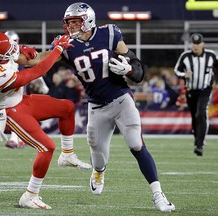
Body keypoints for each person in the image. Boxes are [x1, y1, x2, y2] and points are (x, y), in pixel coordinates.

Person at [29, 2, 175, 212]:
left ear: (88, 20)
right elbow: (40, 60)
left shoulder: (109, 34)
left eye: (75, 21)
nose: (71, 26)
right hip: (96, 106)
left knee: (136, 143)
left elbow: (138, 69)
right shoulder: (66, 44)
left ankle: (158, 194)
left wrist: (127, 69)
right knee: (98, 158)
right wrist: (14, 55)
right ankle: (99, 171)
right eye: (68, 22)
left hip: (121, 98)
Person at [0, 32, 91, 209]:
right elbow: (36, 71)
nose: (12, 50)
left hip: (21, 102)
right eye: (8, 49)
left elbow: (29, 59)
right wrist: (58, 49)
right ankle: (30, 196)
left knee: (67, 108)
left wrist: (33, 51)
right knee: (47, 147)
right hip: (9, 111)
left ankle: (67, 154)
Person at [4, 30, 50, 149]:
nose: (15, 43)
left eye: (16, 41)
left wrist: (42, 84)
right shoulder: (1, 55)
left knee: (16, 113)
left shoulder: (19, 53)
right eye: (13, 41)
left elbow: (33, 70)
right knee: (15, 114)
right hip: (5, 88)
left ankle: (16, 140)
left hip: (17, 88)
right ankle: (20, 140)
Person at [174, 33, 217, 156]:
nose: (196, 46)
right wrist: (184, 75)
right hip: (191, 90)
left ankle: (200, 144)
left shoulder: (211, 55)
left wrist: (216, 82)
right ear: (190, 44)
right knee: (194, 116)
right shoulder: (185, 56)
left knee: (201, 113)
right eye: (194, 44)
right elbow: (177, 70)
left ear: (203, 44)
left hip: (205, 89)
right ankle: (197, 138)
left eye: (198, 44)